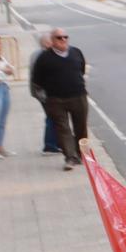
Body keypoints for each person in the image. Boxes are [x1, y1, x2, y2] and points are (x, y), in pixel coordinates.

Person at [32, 27, 92, 171]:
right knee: (62, 129)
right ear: (52, 41)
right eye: (59, 37)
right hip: (56, 100)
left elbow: (81, 69)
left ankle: (83, 155)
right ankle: (70, 157)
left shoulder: (76, 52)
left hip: (78, 96)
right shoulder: (44, 58)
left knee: (81, 128)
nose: (63, 40)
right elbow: (37, 80)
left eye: (65, 37)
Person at [30, 29, 61, 155]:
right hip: (45, 93)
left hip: (41, 92)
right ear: (48, 43)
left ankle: (56, 142)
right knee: (52, 117)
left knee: (54, 117)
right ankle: (50, 145)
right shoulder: (43, 56)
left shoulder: (36, 53)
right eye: (54, 40)